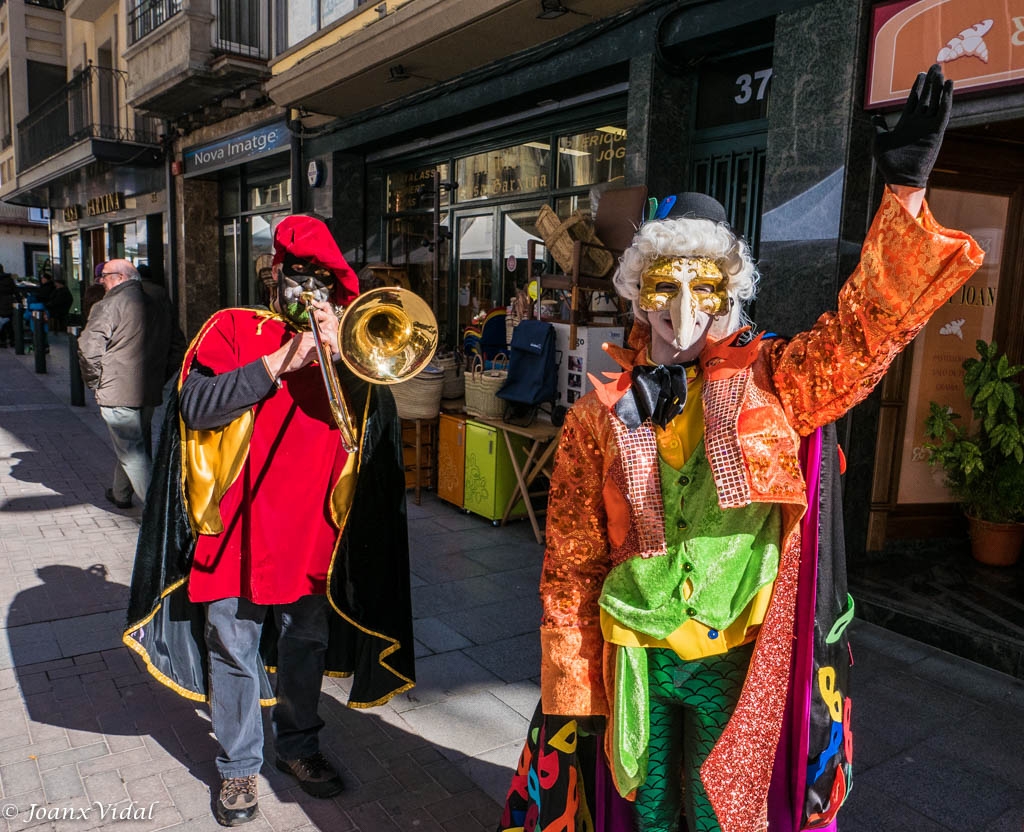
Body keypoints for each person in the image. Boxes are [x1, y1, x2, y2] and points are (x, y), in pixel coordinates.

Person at [498, 65, 983, 832]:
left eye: (705, 289)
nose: (682, 313)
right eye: (663, 287)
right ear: (635, 291)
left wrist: (906, 196)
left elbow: (869, 334)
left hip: (738, 659)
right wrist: (571, 689)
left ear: (729, 292)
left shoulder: (778, 383)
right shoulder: (602, 412)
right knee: (647, 812)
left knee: (728, 814)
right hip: (638, 654)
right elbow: (571, 558)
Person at [121, 215, 415, 827]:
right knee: (232, 645)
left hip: (313, 538)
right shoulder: (231, 328)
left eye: (325, 282)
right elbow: (196, 408)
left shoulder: (351, 346)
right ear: (274, 273)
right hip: (235, 532)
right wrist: (284, 357)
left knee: (305, 642)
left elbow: (374, 439)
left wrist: (345, 357)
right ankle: (238, 771)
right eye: (299, 276)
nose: (310, 290)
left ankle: (299, 747)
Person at [77, 259, 180, 509]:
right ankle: (121, 493)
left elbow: (87, 348)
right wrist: (158, 377)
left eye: (105, 276)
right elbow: (178, 347)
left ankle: (159, 512)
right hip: (147, 390)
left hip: (117, 392)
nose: (102, 281)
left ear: (121, 277)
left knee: (133, 452)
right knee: (134, 446)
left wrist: (95, 382)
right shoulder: (157, 302)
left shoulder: (108, 304)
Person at [0, 266, 18, 348]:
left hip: (0, 302)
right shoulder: (9, 279)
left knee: (1, 323)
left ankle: (2, 341)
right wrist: (19, 301)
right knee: (9, 323)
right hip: (9, 302)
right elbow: (15, 290)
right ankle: (12, 340)